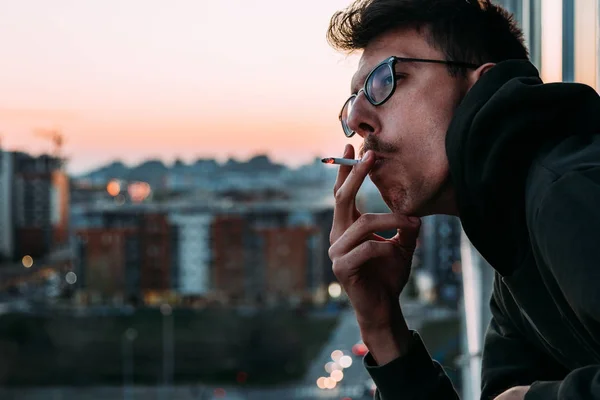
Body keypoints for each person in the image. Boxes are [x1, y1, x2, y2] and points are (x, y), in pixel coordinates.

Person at [325, 0, 600, 399]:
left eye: (385, 81)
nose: (356, 121)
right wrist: (383, 328)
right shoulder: (510, 245)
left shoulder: (567, 191)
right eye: (352, 103)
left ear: (479, 85)